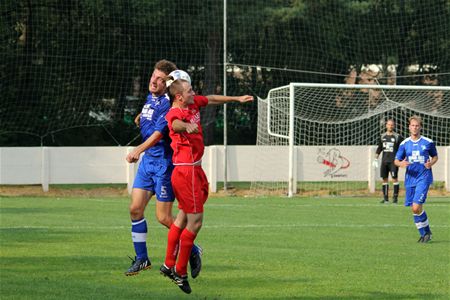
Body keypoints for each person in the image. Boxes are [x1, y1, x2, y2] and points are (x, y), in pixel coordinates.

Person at [159, 70, 253, 294]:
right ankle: (180, 272)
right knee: (196, 221)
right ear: (179, 96)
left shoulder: (192, 104)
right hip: (186, 173)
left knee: (182, 218)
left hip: (194, 171)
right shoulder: (175, 112)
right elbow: (174, 125)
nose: (194, 92)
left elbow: (210, 99)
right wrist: (186, 126)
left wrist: (236, 99)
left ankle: (168, 265)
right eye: (190, 90)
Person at [124, 60, 202, 277]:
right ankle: (142, 259)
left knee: (164, 217)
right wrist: (141, 118)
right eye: (153, 76)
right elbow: (150, 121)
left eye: (159, 78)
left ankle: (193, 248)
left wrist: (137, 149)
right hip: (148, 163)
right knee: (135, 209)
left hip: (164, 166)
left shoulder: (169, 105)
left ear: (167, 82)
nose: (154, 81)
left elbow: (159, 134)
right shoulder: (151, 98)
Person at [394, 116, 438, 243]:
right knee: (415, 209)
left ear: (420, 127)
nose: (415, 127)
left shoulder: (428, 142)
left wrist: (431, 163)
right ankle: (425, 233)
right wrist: (401, 164)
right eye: (412, 125)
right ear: (409, 127)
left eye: (417, 125)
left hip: (424, 177)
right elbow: (396, 160)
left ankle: (426, 233)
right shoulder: (404, 144)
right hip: (410, 179)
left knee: (416, 207)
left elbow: (435, 157)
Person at [374, 119, 404, 203]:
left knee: (394, 178)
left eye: (392, 125)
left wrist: (401, 159)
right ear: (386, 125)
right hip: (384, 161)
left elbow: (403, 148)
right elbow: (379, 148)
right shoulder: (382, 136)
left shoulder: (398, 137)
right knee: (384, 179)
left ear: (394, 126)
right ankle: (386, 198)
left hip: (393, 162)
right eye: (389, 124)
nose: (390, 126)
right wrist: (375, 159)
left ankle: (395, 198)